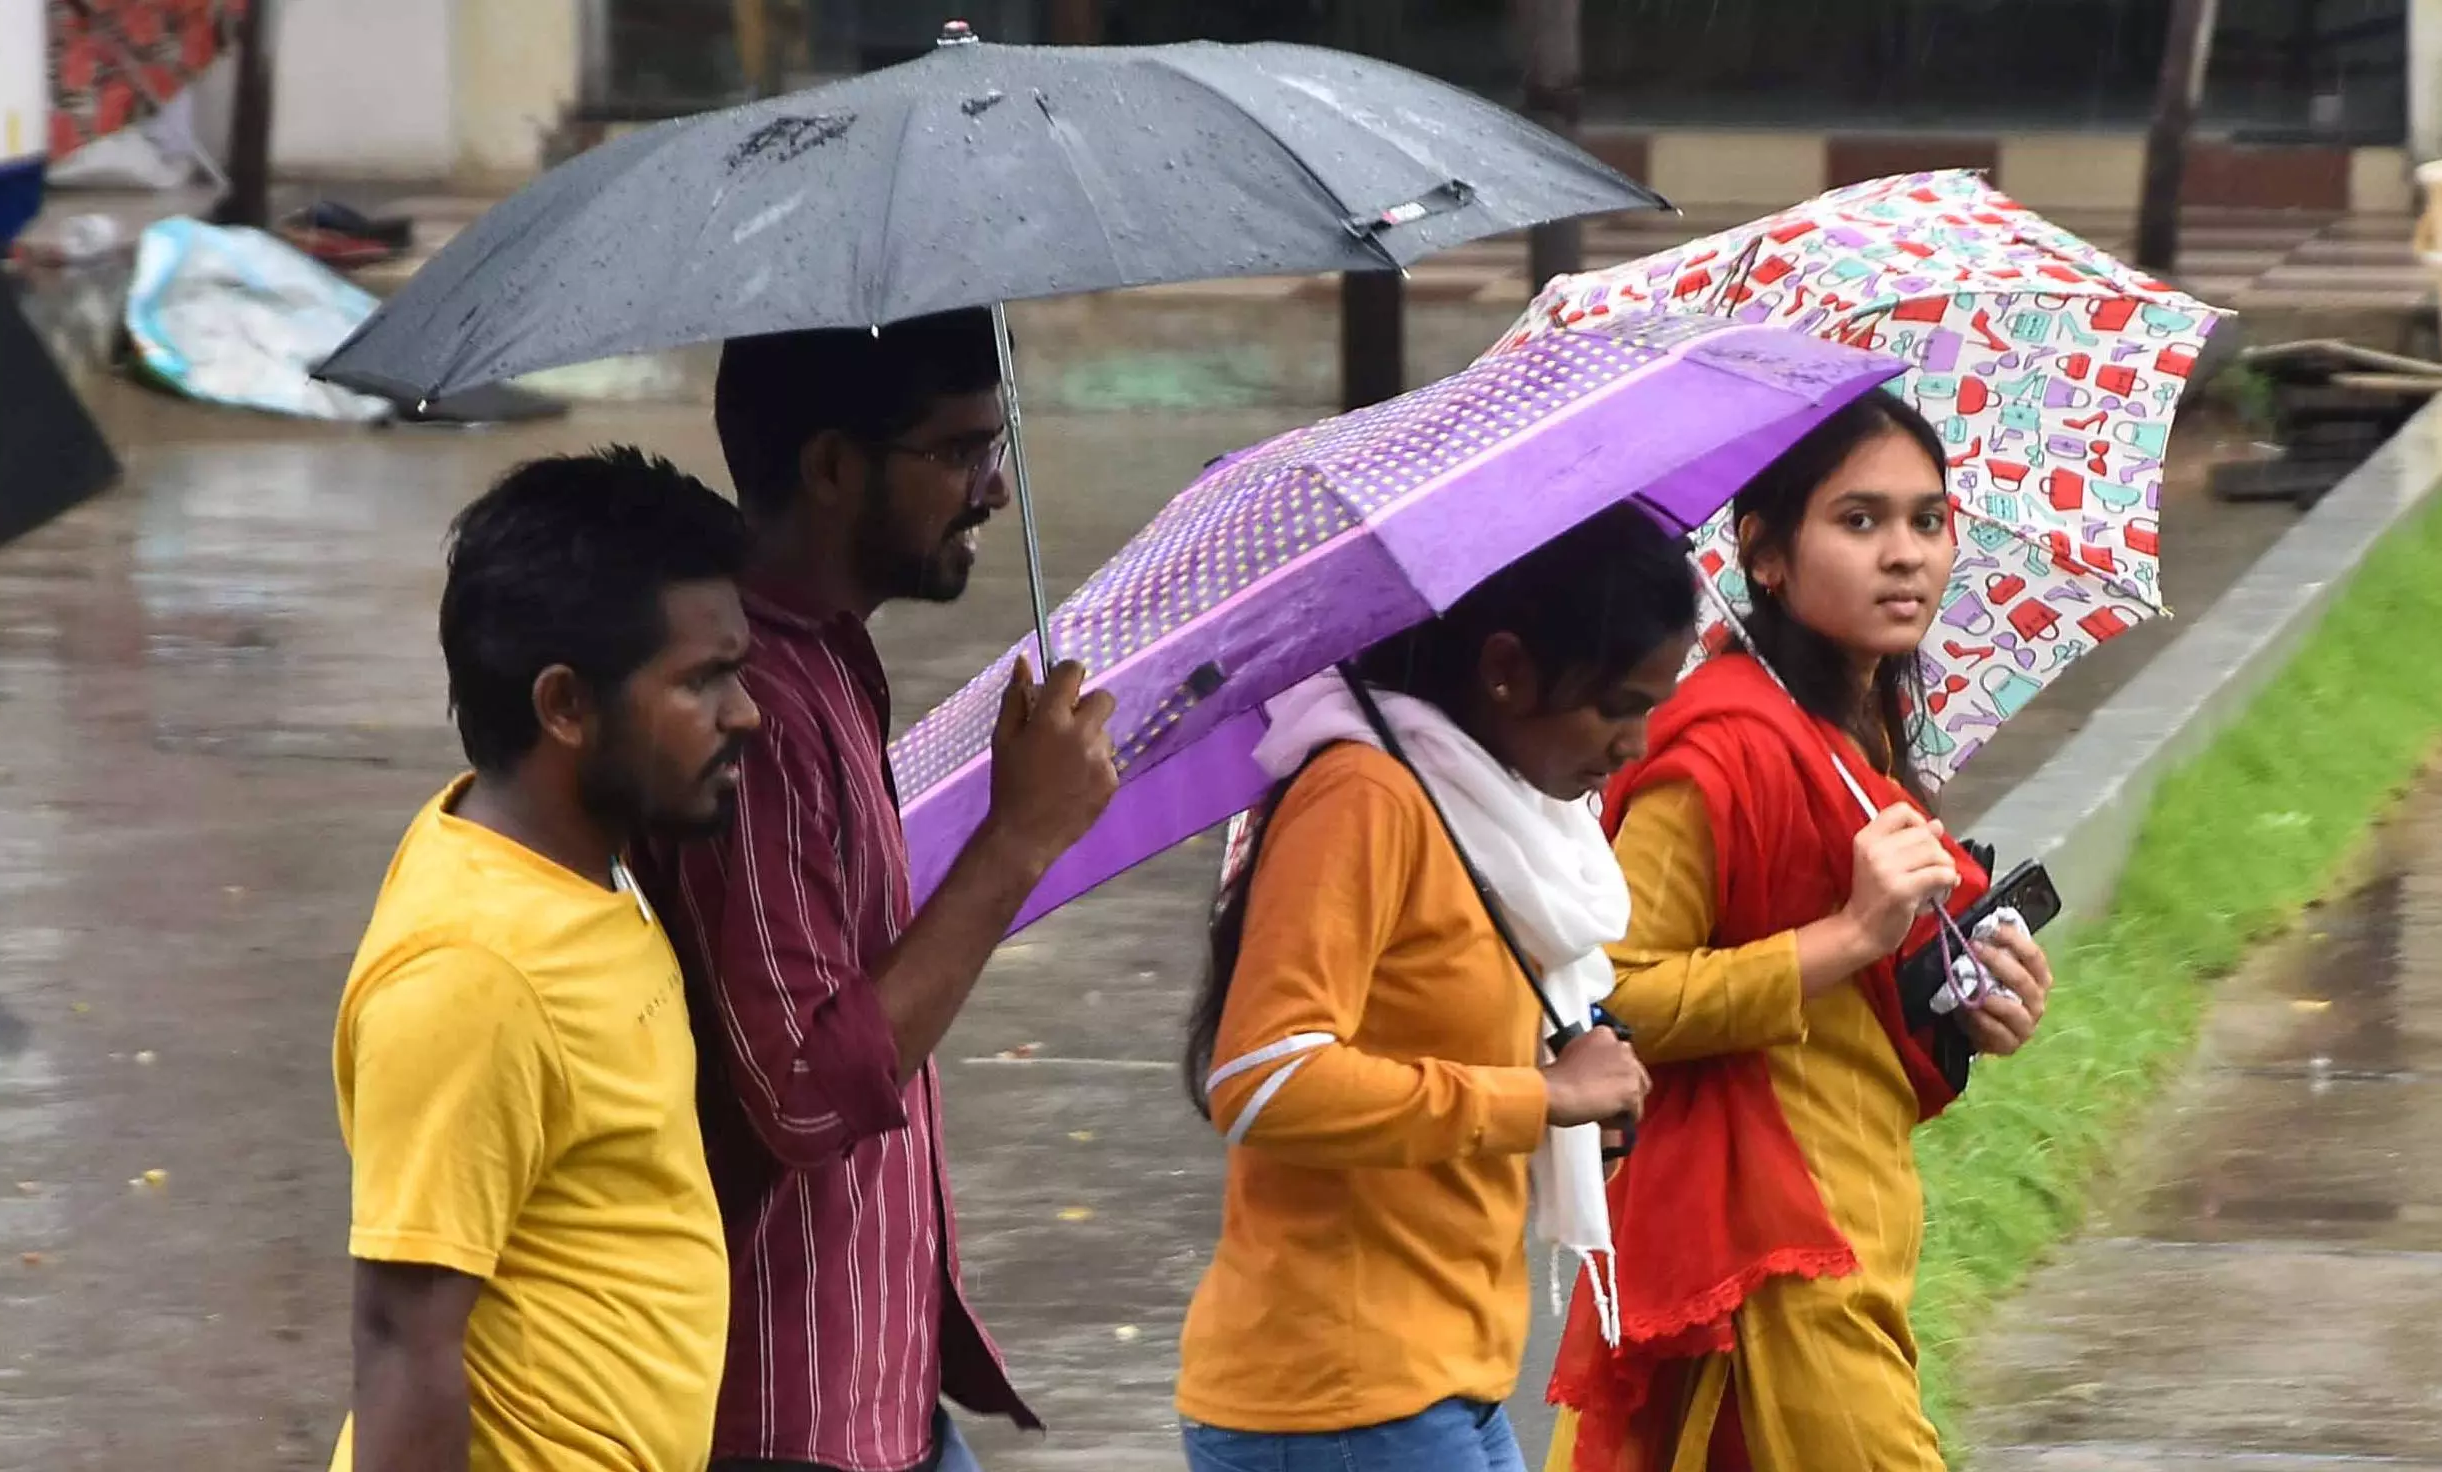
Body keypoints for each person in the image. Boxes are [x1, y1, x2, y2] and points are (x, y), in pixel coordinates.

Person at [642, 310, 1118, 1472]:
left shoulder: (827, 663)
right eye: (959, 451)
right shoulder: (749, 711)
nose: (993, 489)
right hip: (788, 1410)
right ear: (833, 466)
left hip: (880, 1382)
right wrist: (1017, 840)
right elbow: (804, 1090)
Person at [1545, 392, 2056, 1472]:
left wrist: (1974, 999)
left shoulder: (1854, 733)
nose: (1905, 555)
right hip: (1767, 1234)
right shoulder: (1721, 745)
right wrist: (1853, 931)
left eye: (1927, 519)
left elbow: (1857, 1012)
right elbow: (1617, 1000)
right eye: (1859, 520)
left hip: (1857, 1210)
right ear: (1765, 554)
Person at [1175, 502, 1698, 1472]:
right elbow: (1259, 1076)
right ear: (1505, 668)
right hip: (1340, 1396)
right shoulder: (1365, 798)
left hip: (1439, 1379)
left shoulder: (1492, 814)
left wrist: (1569, 1103)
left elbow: (1445, 1058)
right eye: (1618, 702)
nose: (1635, 742)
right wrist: (1539, 1094)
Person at [331, 449, 759, 1472]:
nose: (745, 711)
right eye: (702, 680)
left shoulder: (579, 861)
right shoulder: (475, 971)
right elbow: (403, 1343)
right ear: (564, 706)